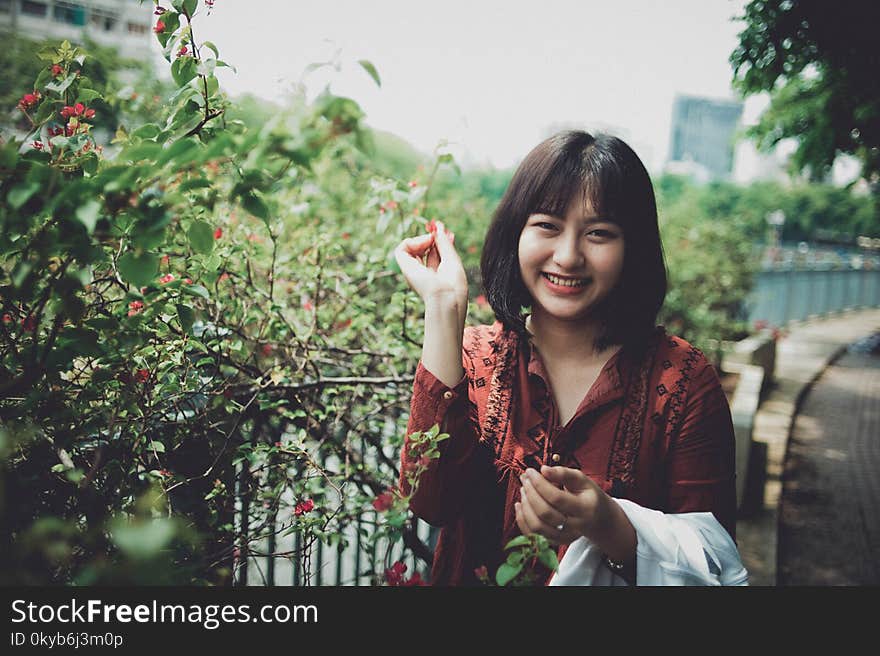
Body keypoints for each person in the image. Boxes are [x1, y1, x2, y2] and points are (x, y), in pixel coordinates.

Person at [392, 130, 747, 586]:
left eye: (599, 233)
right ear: (515, 232)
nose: (568, 255)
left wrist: (611, 526)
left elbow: (716, 561)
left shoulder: (682, 381)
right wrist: (443, 308)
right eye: (547, 225)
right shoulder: (477, 359)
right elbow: (428, 502)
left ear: (632, 247)